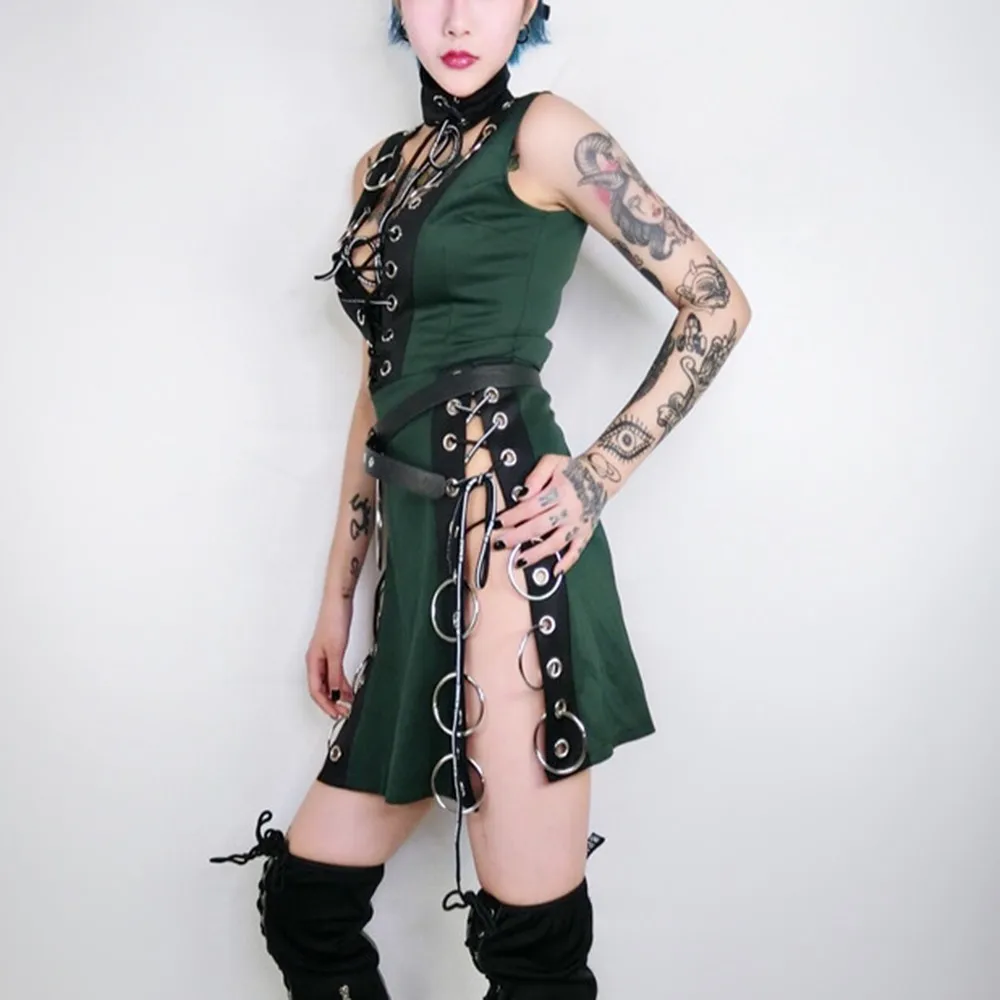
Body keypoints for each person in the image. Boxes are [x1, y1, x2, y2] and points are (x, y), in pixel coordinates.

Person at [209, 2, 753, 997]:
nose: (458, 17)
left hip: (508, 551)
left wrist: (597, 474)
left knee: (528, 956)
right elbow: (378, 391)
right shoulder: (380, 166)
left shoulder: (547, 133)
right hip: (412, 559)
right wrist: (338, 595)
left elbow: (716, 303)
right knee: (308, 908)